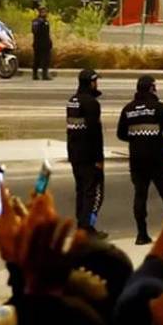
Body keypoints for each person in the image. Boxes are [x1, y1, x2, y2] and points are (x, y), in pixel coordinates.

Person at [117, 75, 163, 245]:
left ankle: (141, 234)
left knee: (140, 196)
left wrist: (137, 140)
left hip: (137, 160)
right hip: (158, 159)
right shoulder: (159, 108)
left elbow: (121, 134)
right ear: (152, 88)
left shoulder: (128, 109)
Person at [67, 68, 107, 238]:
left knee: (81, 190)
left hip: (75, 153)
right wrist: (99, 158)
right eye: (95, 81)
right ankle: (87, 228)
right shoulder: (91, 103)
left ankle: (81, 225)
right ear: (91, 82)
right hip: (89, 155)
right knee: (94, 192)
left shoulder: (72, 101)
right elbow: (94, 133)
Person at [31, 6, 53, 81]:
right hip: (39, 43)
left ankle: (43, 74)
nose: (45, 13)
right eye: (43, 12)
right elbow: (35, 32)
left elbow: (47, 34)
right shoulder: (38, 21)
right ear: (40, 12)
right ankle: (37, 74)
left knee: (45, 59)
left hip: (44, 43)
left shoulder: (43, 21)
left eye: (45, 12)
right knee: (39, 59)